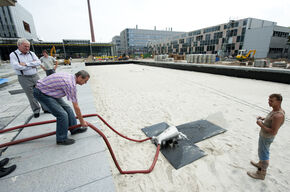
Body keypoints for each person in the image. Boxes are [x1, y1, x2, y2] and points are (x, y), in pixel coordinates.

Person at [33, 70, 90, 145]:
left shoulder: (70, 77)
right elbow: (76, 107)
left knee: (68, 109)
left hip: (49, 91)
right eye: (85, 81)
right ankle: (61, 139)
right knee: (62, 115)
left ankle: (74, 128)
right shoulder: (70, 84)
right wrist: (82, 122)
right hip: (42, 93)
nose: (85, 83)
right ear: (79, 77)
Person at [247, 94, 285, 180]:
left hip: (267, 137)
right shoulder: (275, 111)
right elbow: (272, 121)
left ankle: (261, 174)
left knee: (264, 155)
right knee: (262, 152)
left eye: (271, 101)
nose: (269, 102)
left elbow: (274, 131)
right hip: (264, 136)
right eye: (269, 100)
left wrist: (261, 124)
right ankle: (260, 164)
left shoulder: (278, 115)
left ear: (279, 102)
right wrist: (264, 118)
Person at [9, 38, 49, 118]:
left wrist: (26, 64)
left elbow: (38, 62)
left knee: (42, 92)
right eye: (25, 46)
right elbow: (16, 66)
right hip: (24, 78)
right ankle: (36, 110)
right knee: (30, 95)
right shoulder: (13, 55)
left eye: (28, 46)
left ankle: (46, 108)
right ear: (19, 46)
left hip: (35, 76)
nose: (27, 48)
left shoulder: (31, 53)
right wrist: (32, 65)